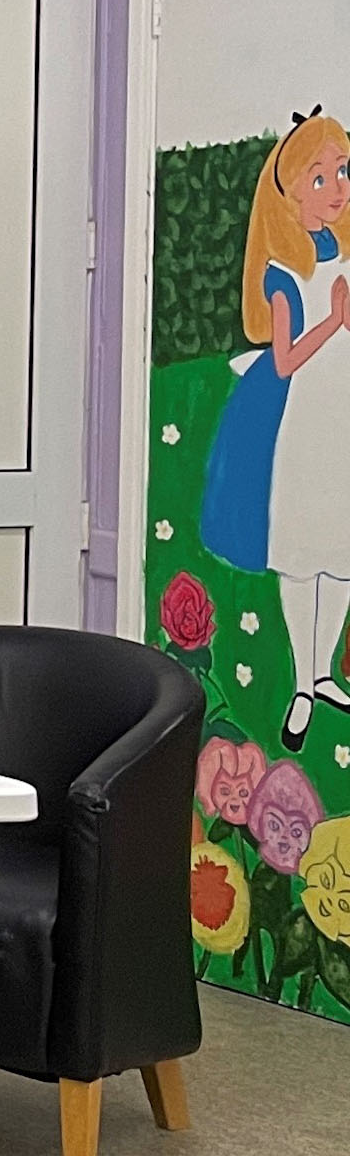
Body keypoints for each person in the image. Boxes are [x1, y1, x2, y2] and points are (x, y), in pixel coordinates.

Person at [202, 110, 350, 741]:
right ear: (290, 193)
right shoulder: (282, 270)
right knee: (301, 552)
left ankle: (324, 675)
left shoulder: (343, 249)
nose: (338, 187)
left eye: (342, 171)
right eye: (320, 178)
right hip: (301, 418)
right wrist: (335, 322)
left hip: (340, 410)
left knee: (340, 553)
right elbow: (285, 358)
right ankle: (301, 679)